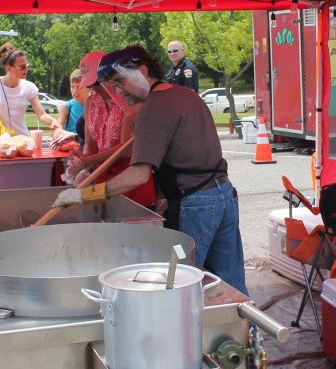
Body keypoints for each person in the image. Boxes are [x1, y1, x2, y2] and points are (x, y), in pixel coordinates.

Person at [54, 45, 248, 295]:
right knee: (230, 281)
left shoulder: (151, 109)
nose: (117, 91)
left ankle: (184, 334)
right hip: (224, 194)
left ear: (143, 71)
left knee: (181, 284)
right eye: (112, 85)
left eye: (120, 81)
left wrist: (83, 195)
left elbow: (137, 175)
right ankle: (248, 332)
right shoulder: (186, 95)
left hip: (196, 201)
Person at [72, 51, 155, 207]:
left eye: (97, 82)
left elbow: (126, 147)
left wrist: (90, 161)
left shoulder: (129, 98)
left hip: (129, 176)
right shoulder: (91, 101)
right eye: (90, 84)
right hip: (101, 175)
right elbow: (90, 143)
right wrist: (84, 165)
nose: (94, 88)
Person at [0, 41, 62, 137]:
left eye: (26, 66)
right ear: (9, 68)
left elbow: (42, 115)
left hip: (23, 142)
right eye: (22, 67)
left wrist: (54, 121)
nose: (26, 69)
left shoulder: (29, 87)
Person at [58, 69, 87, 135]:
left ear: (88, 87)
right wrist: (59, 131)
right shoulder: (67, 106)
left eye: (79, 87)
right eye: (72, 87)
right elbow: (56, 132)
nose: (75, 91)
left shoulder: (96, 106)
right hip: (71, 145)